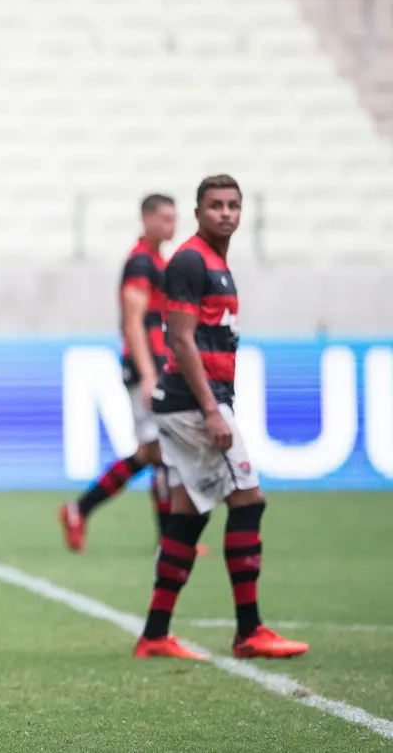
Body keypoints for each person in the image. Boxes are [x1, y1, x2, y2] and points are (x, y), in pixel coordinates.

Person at [134, 176, 308, 660]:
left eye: (233, 205)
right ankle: (249, 631)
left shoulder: (215, 263)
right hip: (194, 404)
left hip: (193, 401)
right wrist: (213, 408)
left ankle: (154, 634)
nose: (226, 213)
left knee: (187, 518)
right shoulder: (191, 260)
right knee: (248, 501)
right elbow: (180, 338)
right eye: (216, 206)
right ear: (198, 212)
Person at [60, 194, 177, 553]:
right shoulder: (141, 262)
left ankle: (80, 509)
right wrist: (148, 373)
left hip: (160, 364)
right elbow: (133, 321)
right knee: (158, 450)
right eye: (165, 218)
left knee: (155, 451)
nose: (172, 225)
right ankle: (167, 539)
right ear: (146, 219)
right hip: (148, 366)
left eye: (174, 218)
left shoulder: (157, 260)